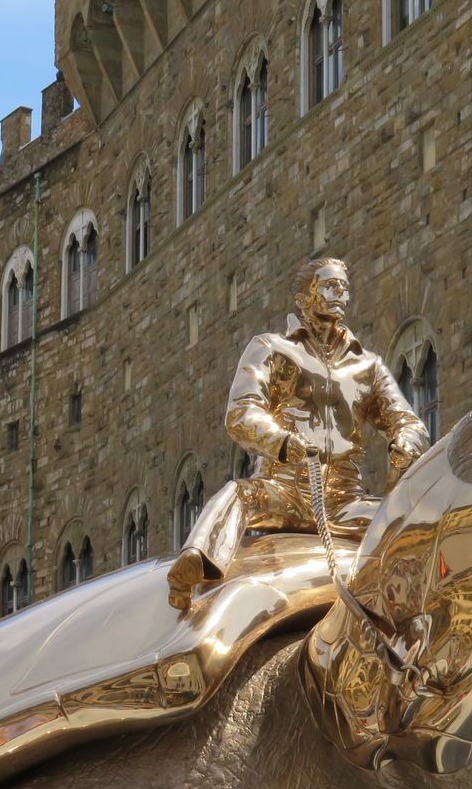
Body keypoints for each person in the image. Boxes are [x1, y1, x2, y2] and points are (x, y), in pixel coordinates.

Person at [165, 256, 431, 610]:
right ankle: (195, 563)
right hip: (283, 489)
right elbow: (242, 411)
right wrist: (282, 441)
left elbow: (409, 422)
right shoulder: (272, 348)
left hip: (344, 502)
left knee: (405, 523)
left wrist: (405, 443)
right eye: (329, 285)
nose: (341, 293)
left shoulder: (368, 366)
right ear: (304, 298)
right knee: (238, 495)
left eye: (344, 288)